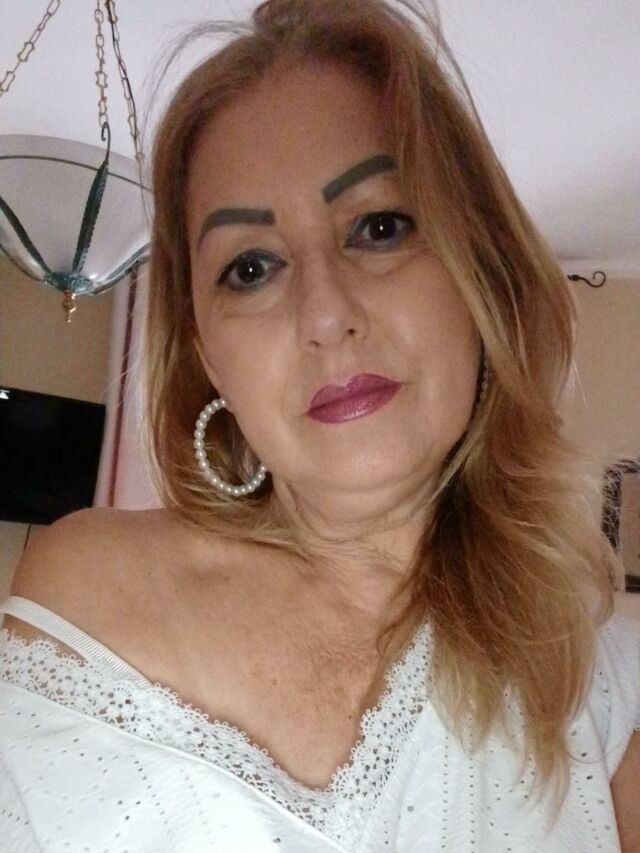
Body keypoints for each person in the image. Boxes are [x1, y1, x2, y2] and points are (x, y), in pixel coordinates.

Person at [1, 0, 638, 850]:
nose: (326, 313)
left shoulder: (592, 675)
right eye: (250, 268)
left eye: (379, 227)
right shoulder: (85, 599)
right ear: (209, 354)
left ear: (479, 271)